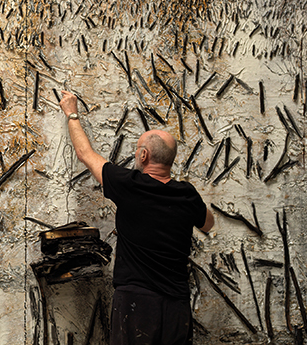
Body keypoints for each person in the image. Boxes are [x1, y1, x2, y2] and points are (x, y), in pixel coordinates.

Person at [59, 90, 214, 345]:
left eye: (138, 149)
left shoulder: (130, 185)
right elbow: (208, 223)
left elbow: (85, 153)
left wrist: (71, 113)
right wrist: (189, 204)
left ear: (144, 156)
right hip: (177, 305)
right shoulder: (186, 195)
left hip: (137, 303)